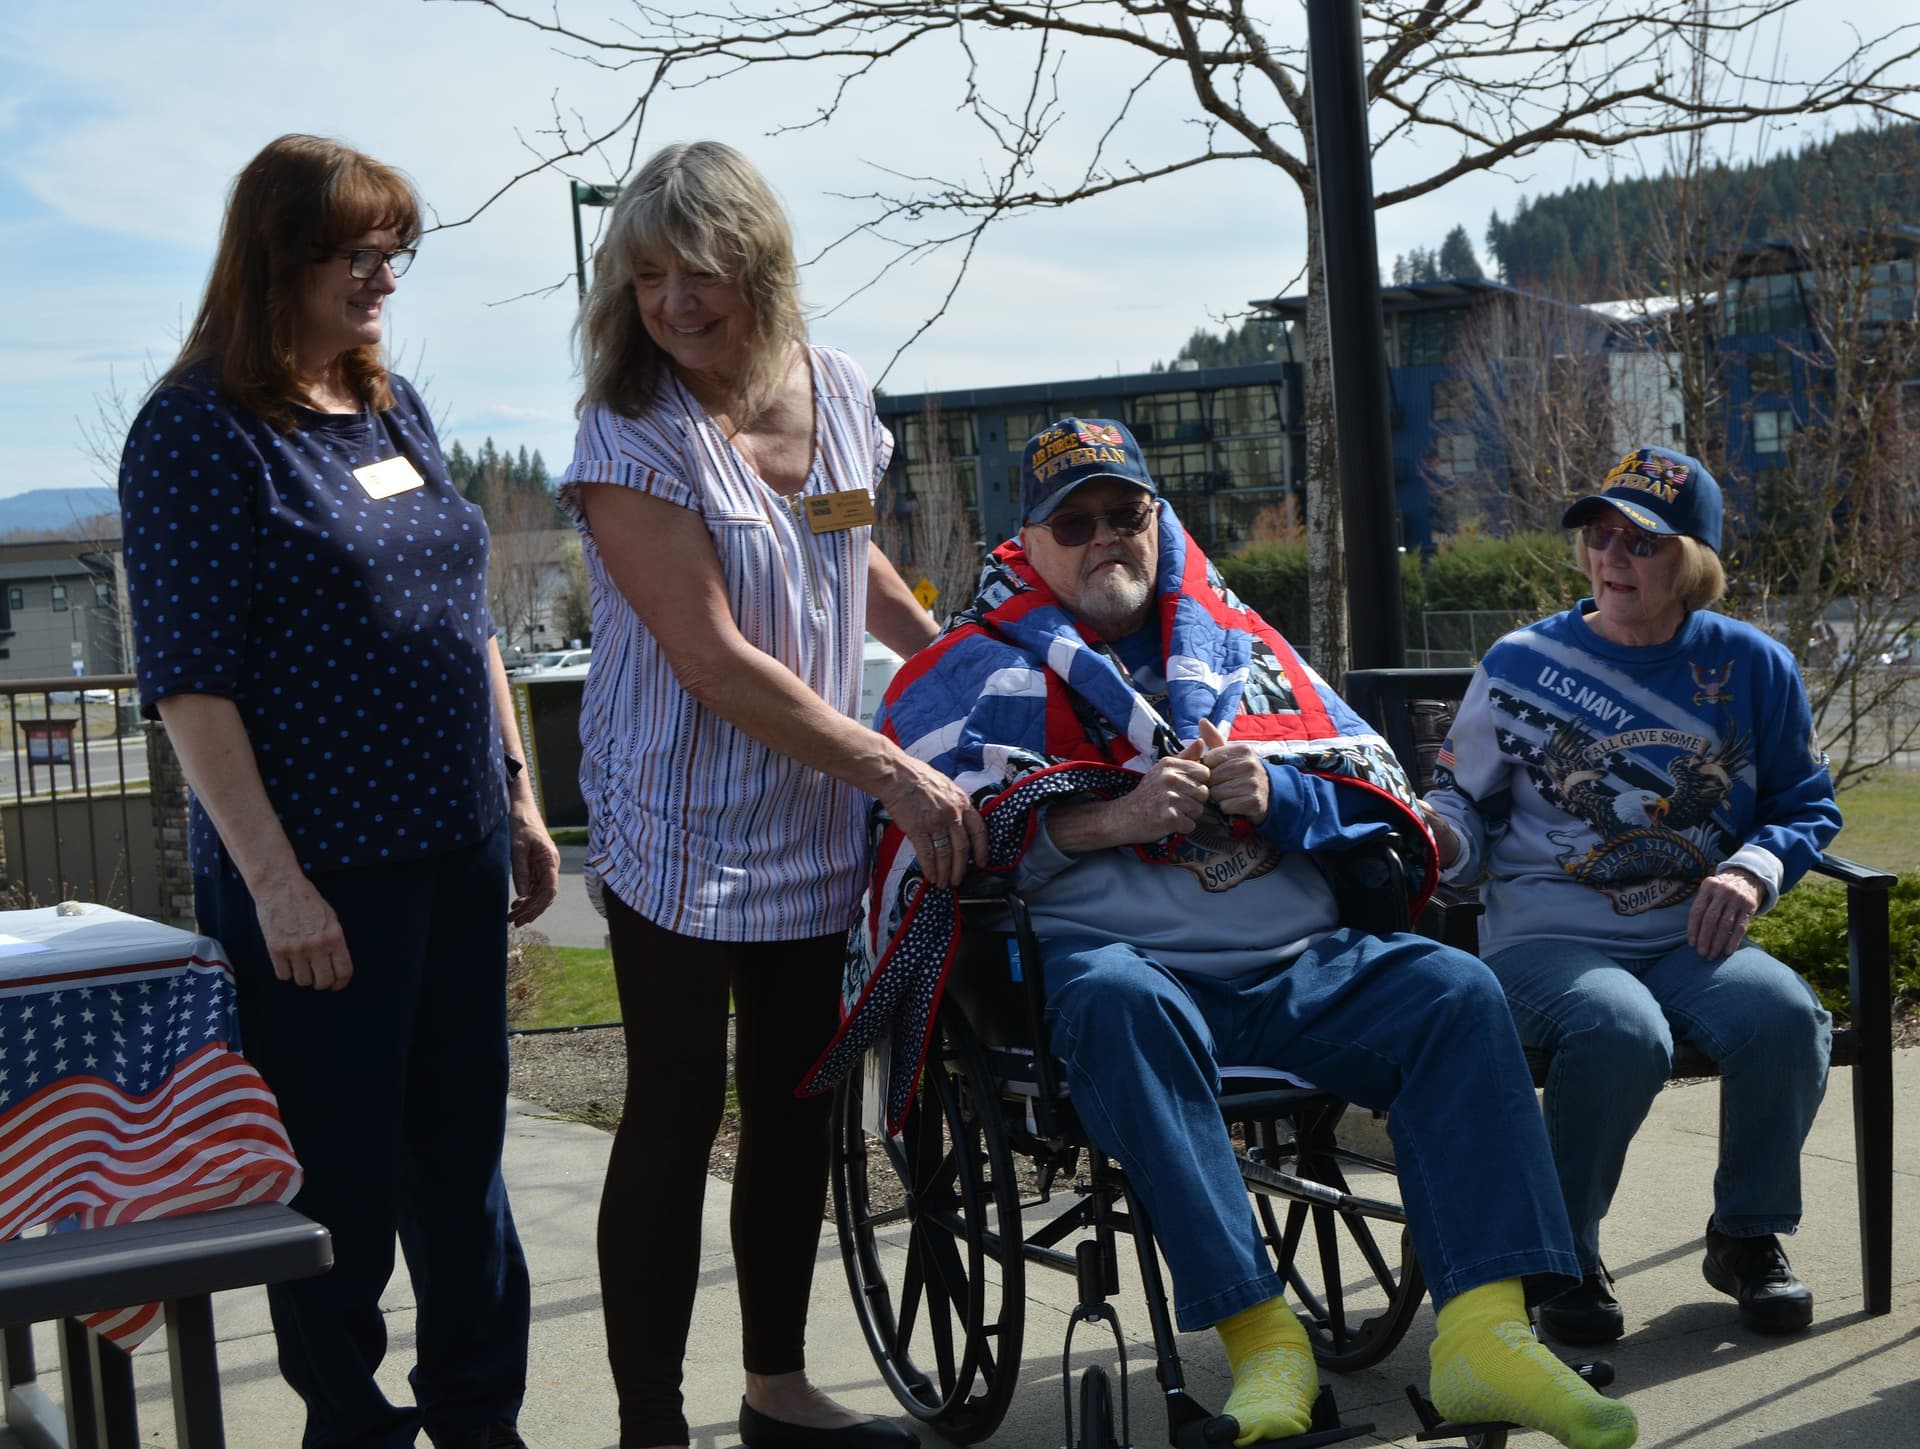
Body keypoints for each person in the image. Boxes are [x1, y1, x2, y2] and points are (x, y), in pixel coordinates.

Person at [807, 419, 1638, 1449]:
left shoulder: (1241, 642)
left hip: (1296, 966)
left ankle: (1483, 1338)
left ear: (1156, 522)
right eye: (1077, 522)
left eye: (1127, 514)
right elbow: (937, 853)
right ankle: (1262, 1341)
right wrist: (1109, 818)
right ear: (1028, 540)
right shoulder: (964, 673)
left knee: (1454, 990)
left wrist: (1280, 793)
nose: (1106, 537)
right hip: (1121, 978)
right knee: (1118, 999)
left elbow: (1374, 795)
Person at [118, 135, 559, 1449]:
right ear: (277, 260)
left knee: (462, 1171)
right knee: (341, 1190)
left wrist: (518, 789)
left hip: (455, 844)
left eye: (392, 253)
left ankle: (481, 1423)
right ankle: (349, 1431)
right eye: (353, 253)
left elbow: (465, 611)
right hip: (318, 878)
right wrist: (275, 882)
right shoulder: (196, 429)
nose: (381, 278)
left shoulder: (388, 403)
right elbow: (191, 689)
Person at [557, 140, 977, 1449]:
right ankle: (650, 1425)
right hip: (674, 808)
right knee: (678, 1104)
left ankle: (777, 1390)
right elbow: (713, 659)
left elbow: (854, 566)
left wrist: (965, 659)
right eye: (648, 278)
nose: (675, 303)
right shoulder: (629, 431)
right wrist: (896, 769)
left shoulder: (840, 389)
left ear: (761, 266)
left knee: (799, 1096)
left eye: (702, 272)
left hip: (809, 806)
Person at [1421, 447, 1840, 1346]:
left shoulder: (1753, 666)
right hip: (1545, 932)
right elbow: (1462, 797)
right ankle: (1559, 1253)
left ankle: (1747, 1233)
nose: (1613, 556)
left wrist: (1751, 869)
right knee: (1618, 1029)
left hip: (1691, 929)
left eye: (1641, 542)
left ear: (1693, 561)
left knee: (1783, 1014)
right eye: (1599, 535)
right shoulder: (1521, 660)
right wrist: (1445, 836)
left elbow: (1807, 805)